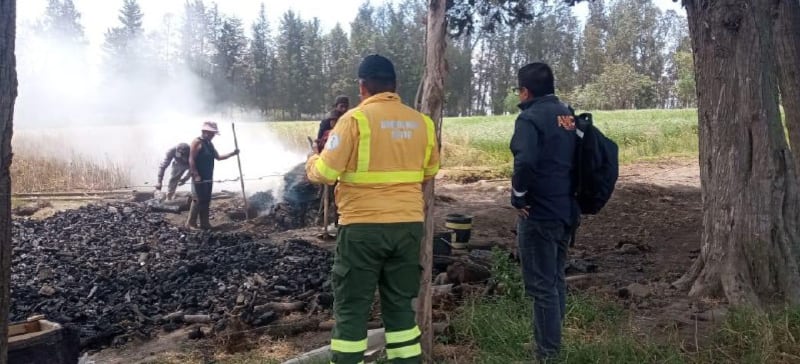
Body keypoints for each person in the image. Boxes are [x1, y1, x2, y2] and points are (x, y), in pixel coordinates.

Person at [305, 54, 440, 364]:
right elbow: (430, 171)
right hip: (407, 227)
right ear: (395, 86)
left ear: (362, 86)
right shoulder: (423, 123)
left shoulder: (354, 120)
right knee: (400, 308)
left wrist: (312, 161)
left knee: (352, 308)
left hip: (362, 228)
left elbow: (325, 172)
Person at [509, 62, 579, 362]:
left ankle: (547, 353)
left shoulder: (530, 119)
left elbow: (524, 163)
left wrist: (519, 196)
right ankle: (550, 340)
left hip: (538, 213)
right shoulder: (567, 115)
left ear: (525, 91)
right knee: (555, 280)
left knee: (541, 287)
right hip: (566, 210)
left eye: (519, 91)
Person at [186, 121, 240, 230]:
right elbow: (191, 159)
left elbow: (218, 157)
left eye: (214, 134)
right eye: (211, 133)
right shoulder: (197, 142)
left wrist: (232, 154)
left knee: (206, 199)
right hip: (199, 177)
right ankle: (190, 223)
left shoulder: (209, 144)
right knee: (197, 199)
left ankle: (204, 223)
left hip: (208, 176)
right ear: (204, 131)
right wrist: (196, 174)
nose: (213, 135)